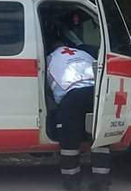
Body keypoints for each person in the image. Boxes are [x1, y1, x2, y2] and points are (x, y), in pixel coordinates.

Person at [47, 38, 111, 191]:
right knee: (99, 138)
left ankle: (72, 182)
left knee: (69, 141)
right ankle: (101, 182)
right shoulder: (84, 53)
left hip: (72, 97)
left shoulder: (50, 58)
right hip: (96, 94)